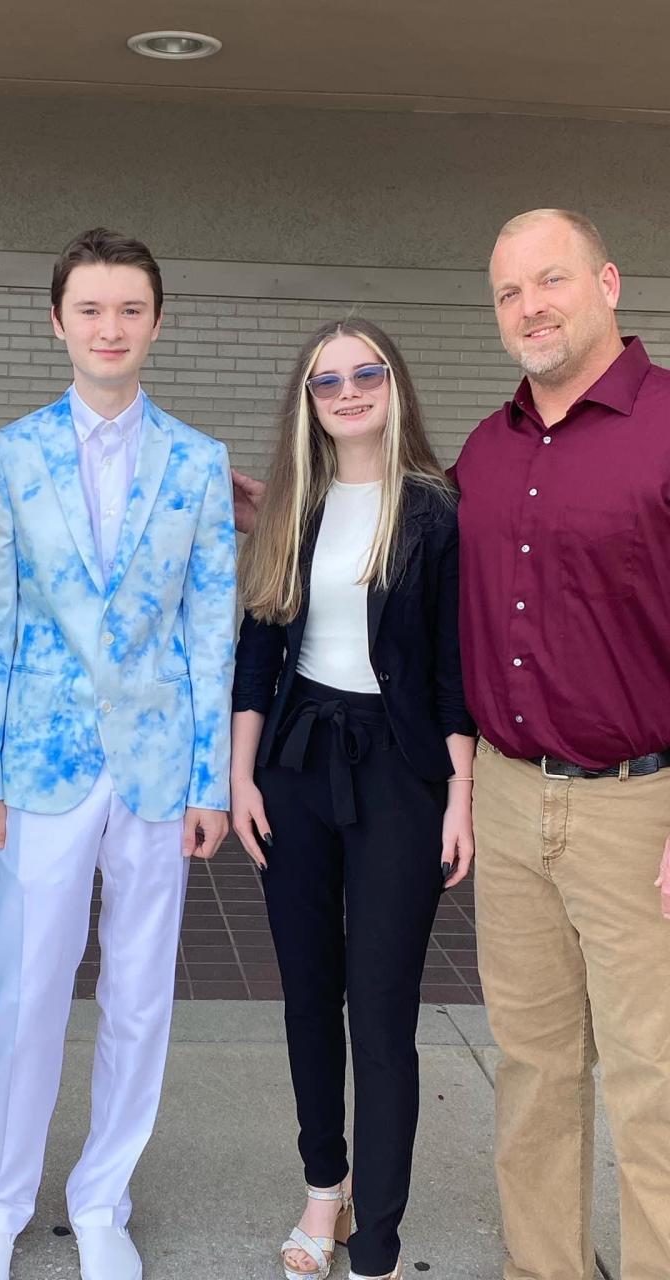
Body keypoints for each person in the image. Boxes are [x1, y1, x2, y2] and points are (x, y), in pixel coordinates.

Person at [0, 227, 236, 1280]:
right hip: (42, 761)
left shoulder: (199, 461)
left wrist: (209, 776)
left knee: (141, 992)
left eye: (129, 309)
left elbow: (213, 629)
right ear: (57, 320)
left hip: (159, 767)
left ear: (157, 321)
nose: (109, 327)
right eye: (90, 309)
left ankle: (102, 1195)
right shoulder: (6, 455)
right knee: (24, 987)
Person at [231, 317, 475, 1280]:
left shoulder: (435, 511)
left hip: (400, 771)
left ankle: (376, 1240)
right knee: (307, 998)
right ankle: (322, 1190)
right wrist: (242, 772)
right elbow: (258, 648)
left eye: (365, 373)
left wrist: (460, 797)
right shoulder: (295, 505)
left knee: (380, 1011)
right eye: (327, 380)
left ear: (393, 384)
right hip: (294, 761)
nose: (347, 392)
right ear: (309, 399)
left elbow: (456, 670)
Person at [453, 208, 670, 1280]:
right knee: (535, 1067)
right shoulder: (486, 451)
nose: (530, 306)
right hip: (508, 789)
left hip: (643, 807)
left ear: (609, 282)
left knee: (653, 1076)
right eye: (507, 292)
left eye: (551, 280)